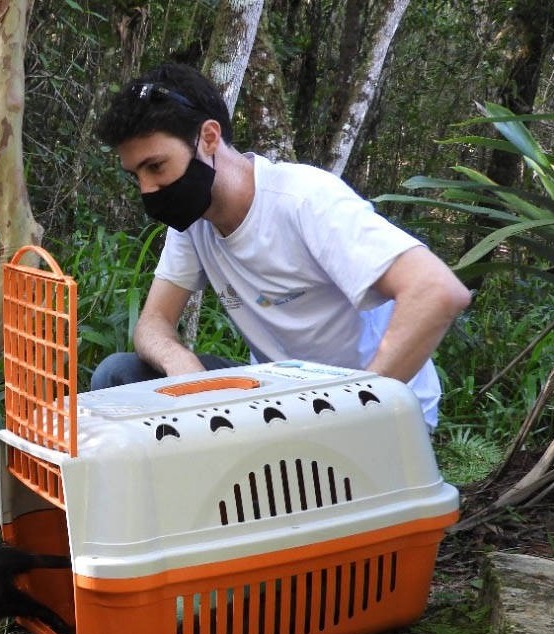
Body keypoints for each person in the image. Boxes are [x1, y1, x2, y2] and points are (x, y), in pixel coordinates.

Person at [90, 62, 471, 430]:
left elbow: (436, 290)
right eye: (135, 175)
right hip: (284, 399)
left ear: (208, 138)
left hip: (373, 407)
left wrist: (359, 408)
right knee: (120, 375)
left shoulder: (304, 200)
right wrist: (180, 363)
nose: (147, 189)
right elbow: (152, 324)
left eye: (156, 167)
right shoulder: (194, 220)